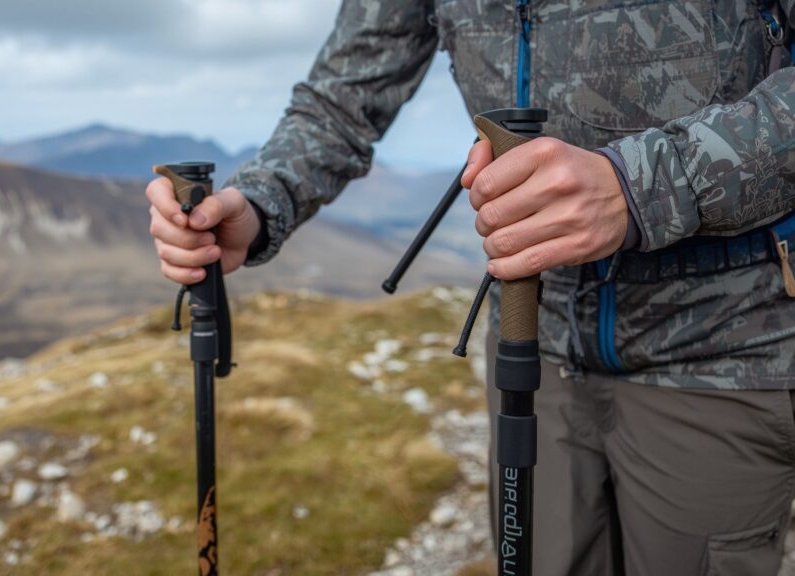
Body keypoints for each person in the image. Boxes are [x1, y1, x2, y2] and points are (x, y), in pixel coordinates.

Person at [146, 1, 795, 574]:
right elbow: (341, 99)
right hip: (529, 343)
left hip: (718, 348)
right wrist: (259, 203)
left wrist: (644, 186)